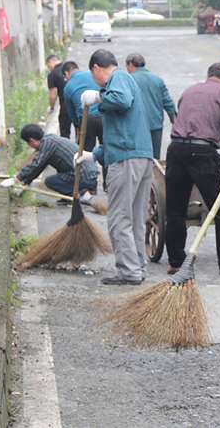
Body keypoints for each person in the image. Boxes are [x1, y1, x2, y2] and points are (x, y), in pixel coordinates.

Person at [76, 49, 154, 286]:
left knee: (120, 217)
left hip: (126, 159)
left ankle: (128, 271)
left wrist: (98, 97)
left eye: (93, 75)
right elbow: (122, 129)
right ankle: (138, 267)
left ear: (97, 68)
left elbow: (120, 100)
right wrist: (94, 155)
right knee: (136, 218)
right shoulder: (125, 80)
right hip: (141, 156)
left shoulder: (117, 79)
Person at [165, 63, 220, 276]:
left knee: (175, 210)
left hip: (175, 150)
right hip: (202, 153)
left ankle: (175, 262)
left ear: (207, 76)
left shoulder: (189, 90)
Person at [0, 124, 98, 201]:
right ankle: (72, 194)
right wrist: (25, 182)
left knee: (50, 181)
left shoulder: (47, 144)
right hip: (88, 174)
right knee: (58, 177)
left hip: (85, 176)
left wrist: (15, 179)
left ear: (31, 141)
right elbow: (40, 166)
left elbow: (36, 164)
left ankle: (81, 194)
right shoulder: (49, 140)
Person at [125, 53, 177, 159]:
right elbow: (168, 102)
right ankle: (153, 175)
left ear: (130, 65)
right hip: (155, 125)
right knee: (154, 157)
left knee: (137, 157)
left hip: (135, 126)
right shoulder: (157, 79)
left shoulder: (128, 80)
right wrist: (174, 120)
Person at [62, 61, 103, 152]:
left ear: (66, 73)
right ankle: (107, 166)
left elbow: (71, 112)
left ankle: (89, 166)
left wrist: (77, 124)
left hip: (85, 120)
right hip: (103, 116)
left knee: (86, 152)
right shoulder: (91, 74)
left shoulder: (67, 87)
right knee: (106, 148)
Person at [46, 55, 72, 139]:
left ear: (51, 62)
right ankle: (80, 150)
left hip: (65, 104)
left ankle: (67, 150)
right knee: (80, 130)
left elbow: (52, 95)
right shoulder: (69, 69)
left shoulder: (52, 74)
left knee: (65, 131)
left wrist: (52, 107)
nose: (48, 68)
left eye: (48, 65)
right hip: (77, 102)